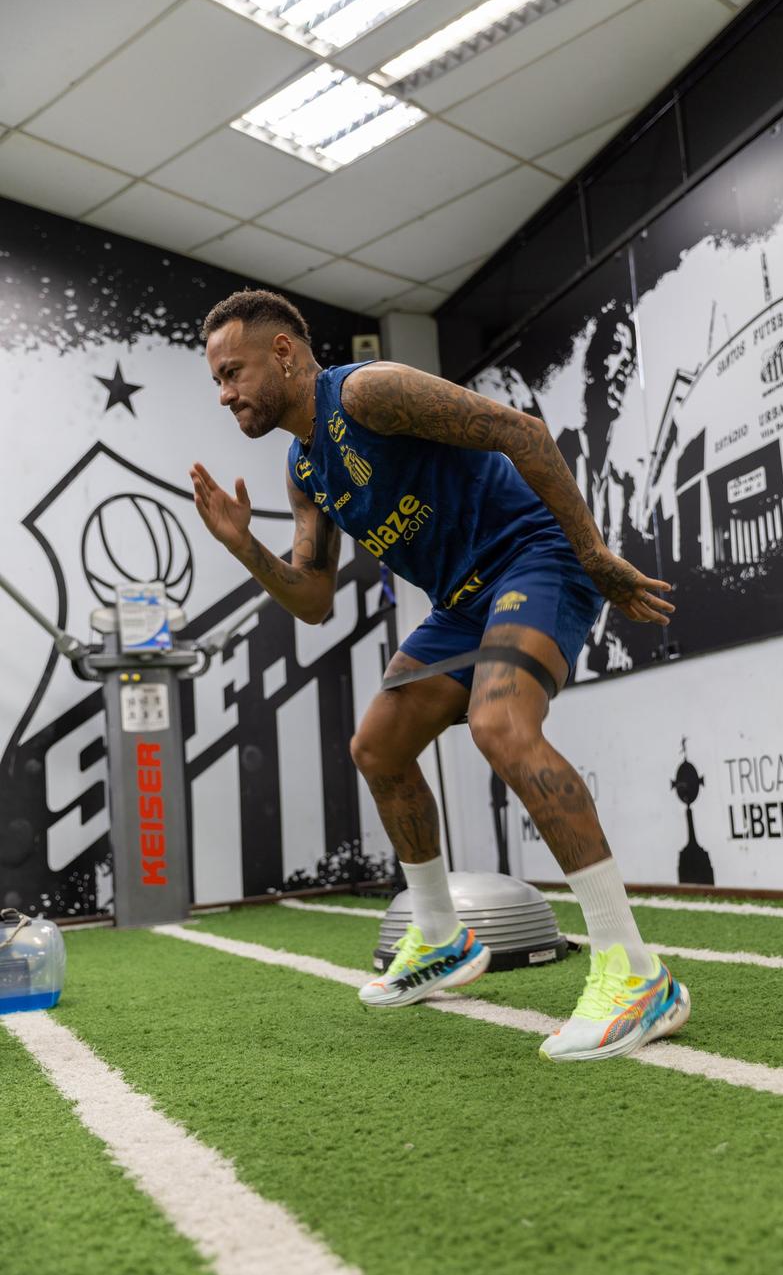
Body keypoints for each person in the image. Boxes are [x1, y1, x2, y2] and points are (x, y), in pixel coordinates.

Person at [191, 288, 691, 1062]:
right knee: (377, 747)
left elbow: (521, 432)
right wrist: (242, 547)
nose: (225, 394)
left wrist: (592, 552)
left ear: (283, 353)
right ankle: (439, 939)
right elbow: (315, 601)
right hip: (461, 604)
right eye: (217, 382)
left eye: (233, 373)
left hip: (535, 556)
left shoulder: (368, 392)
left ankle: (633, 972)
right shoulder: (304, 471)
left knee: (499, 725)